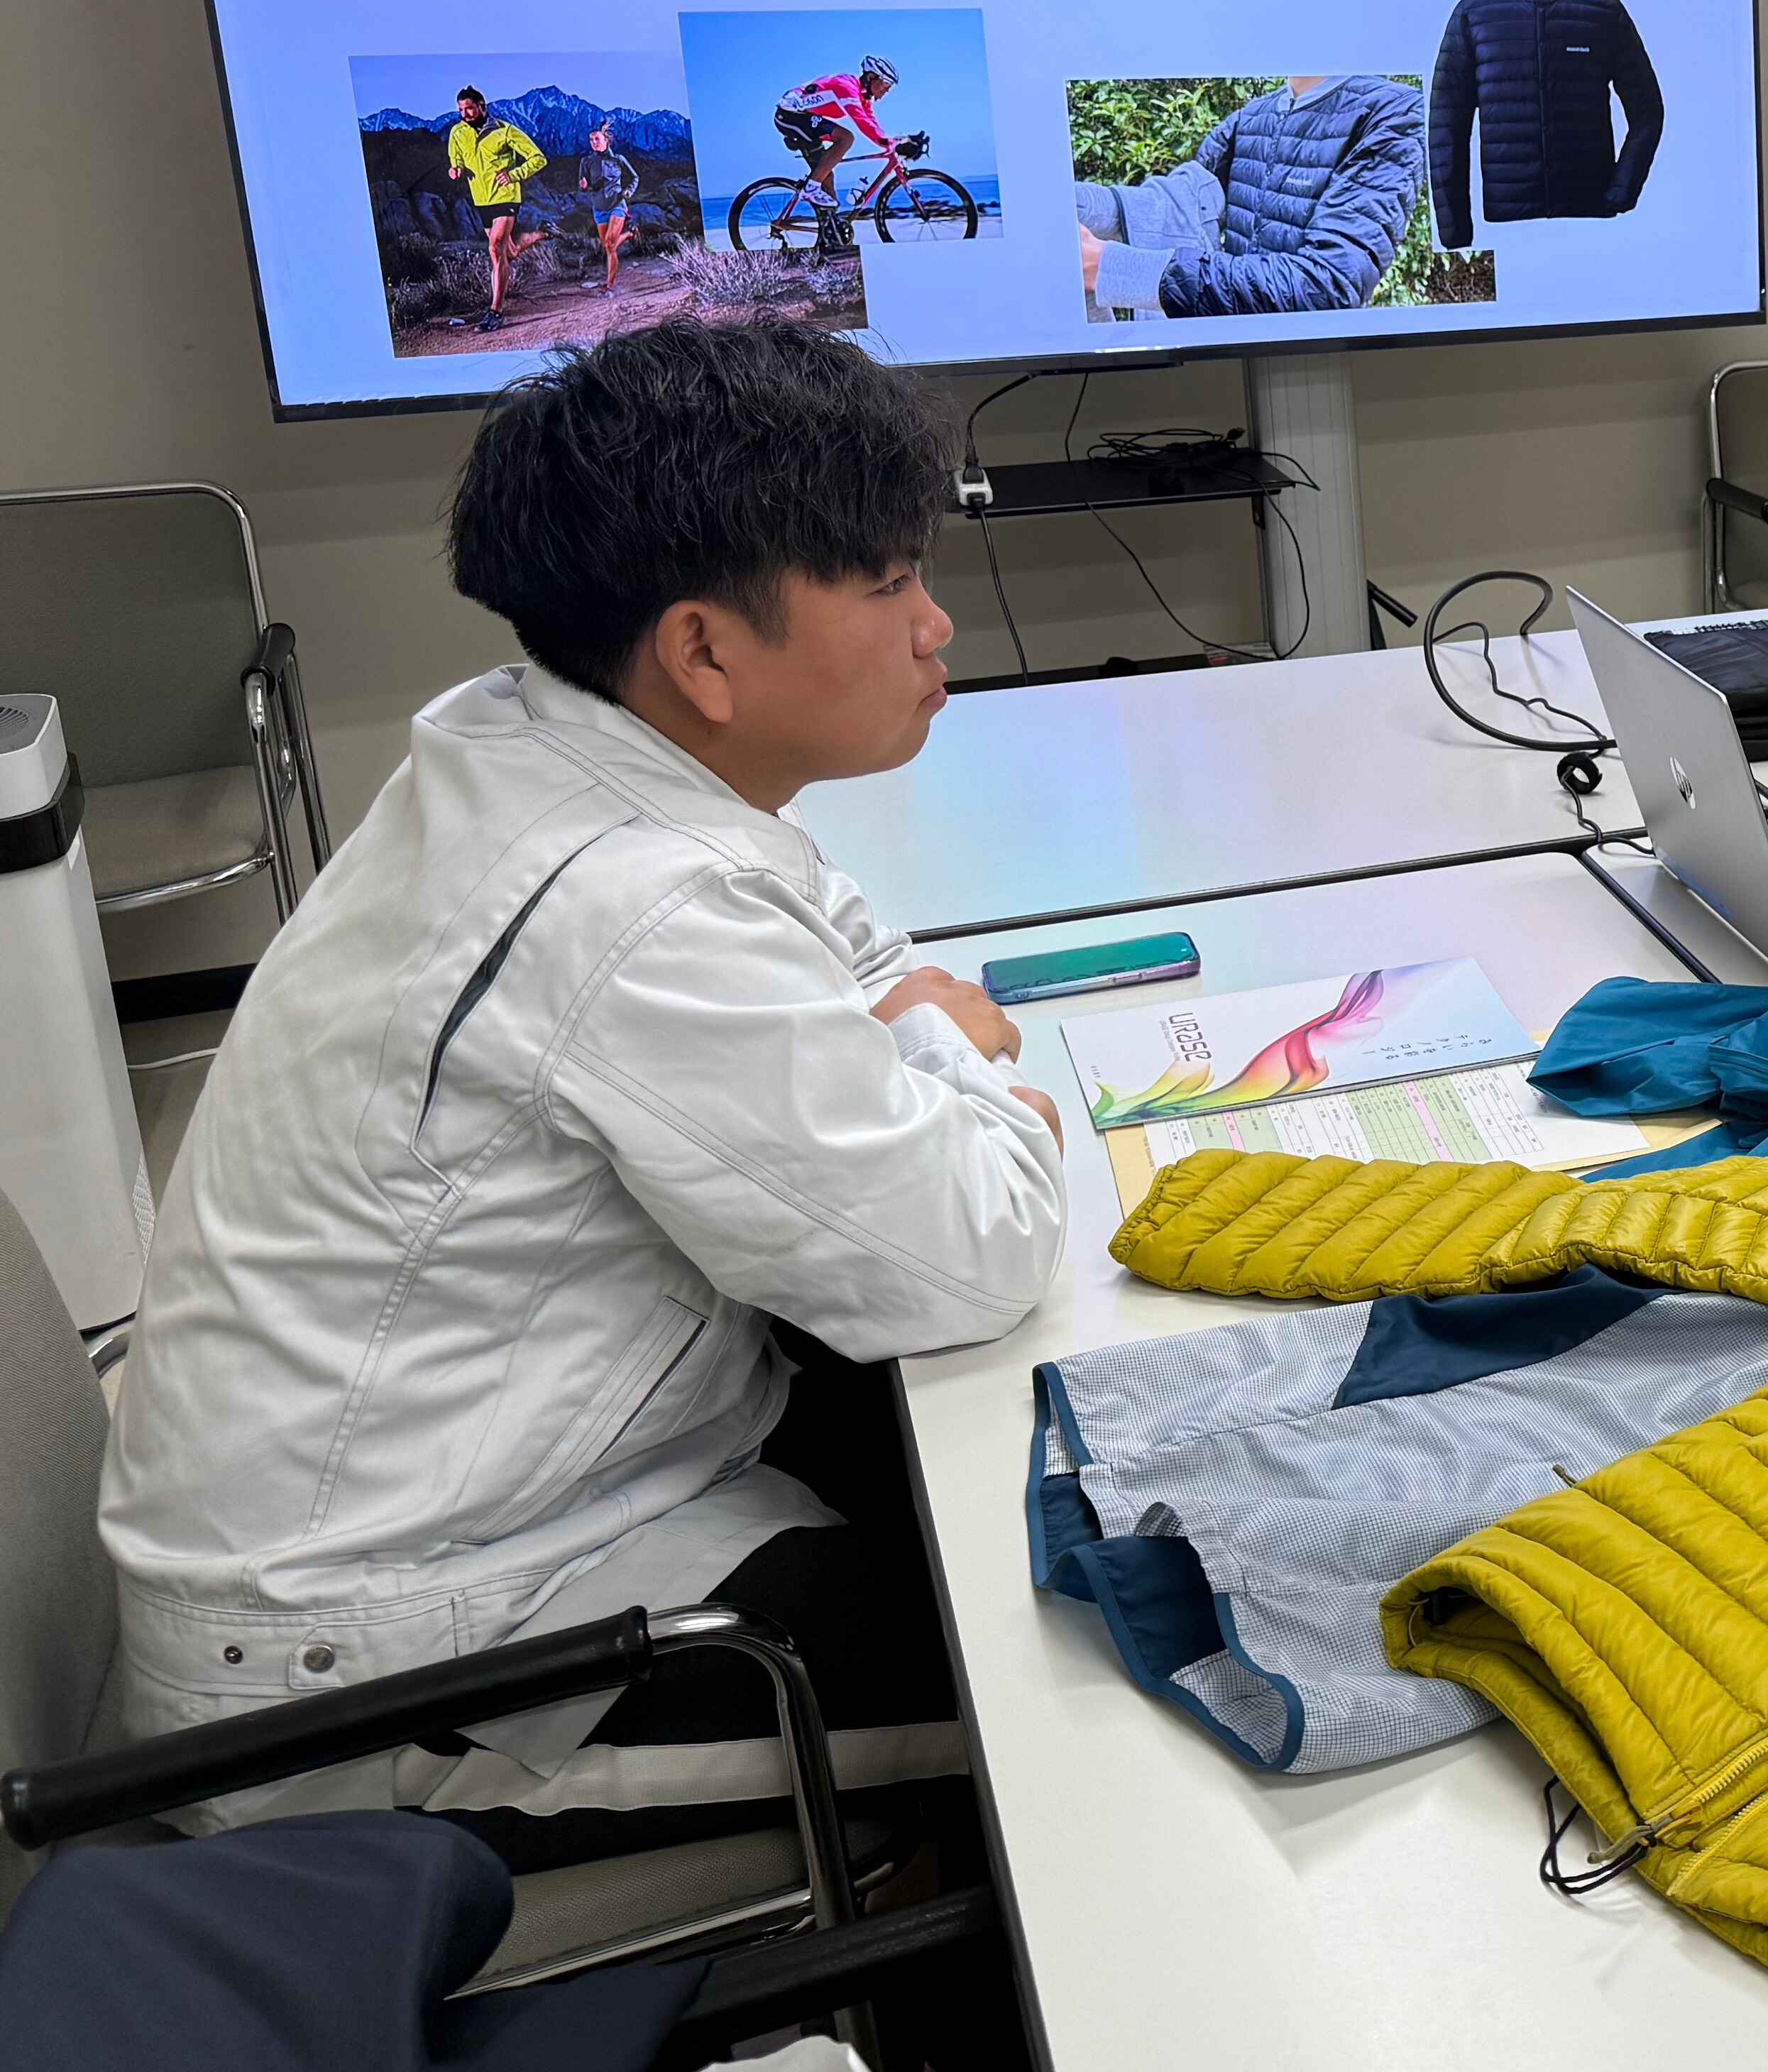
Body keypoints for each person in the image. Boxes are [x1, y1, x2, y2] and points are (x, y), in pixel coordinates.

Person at [97, 316, 1067, 1857]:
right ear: (702, 652)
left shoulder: (536, 739)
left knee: (1037, 1465)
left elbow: (847, 941)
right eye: (890, 583)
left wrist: (910, 1027)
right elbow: (976, 1251)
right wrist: (961, 1059)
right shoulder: (636, 904)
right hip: (378, 1691)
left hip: (490, 1511)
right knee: (1085, 1671)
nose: (935, 623)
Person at [1073, 69, 1424, 317]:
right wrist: (1065, 205)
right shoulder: (1251, 117)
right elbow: (1180, 204)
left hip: (1314, 364)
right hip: (1231, 358)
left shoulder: (1392, 113)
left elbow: (1329, 285)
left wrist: (1115, 269)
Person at [444, 84, 547, 329]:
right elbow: (456, 159)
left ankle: (495, 312)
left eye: (470, 108)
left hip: (506, 196)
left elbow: (538, 158)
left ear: (482, 106)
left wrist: (514, 174)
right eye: (461, 110)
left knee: (494, 248)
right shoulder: (457, 132)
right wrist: (455, 170)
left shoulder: (505, 130)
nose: (465, 114)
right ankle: (539, 234)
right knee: (508, 252)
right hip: (481, 200)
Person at [775, 50, 902, 212]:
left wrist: (894, 141)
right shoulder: (846, 87)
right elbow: (861, 121)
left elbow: (871, 122)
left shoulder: (862, 97)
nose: (887, 90)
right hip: (790, 116)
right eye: (886, 84)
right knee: (846, 138)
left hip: (803, 119)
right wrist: (889, 142)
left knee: (826, 176)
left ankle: (830, 226)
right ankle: (810, 189)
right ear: (871, 77)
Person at [572, 122, 639, 291]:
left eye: (597, 139)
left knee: (609, 244)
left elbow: (635, 178)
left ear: (606, 140)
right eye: (591, 140)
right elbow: (582, 185)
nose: (594, 143)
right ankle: (630, 234)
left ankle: (609, 285)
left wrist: (629, 191)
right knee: (609, 247)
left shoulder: (619, 160)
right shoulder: (587, 162)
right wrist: (584, 185)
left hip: (617, 204)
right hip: (599, 208)